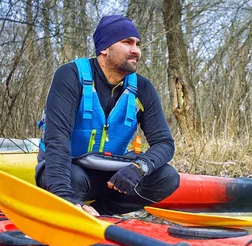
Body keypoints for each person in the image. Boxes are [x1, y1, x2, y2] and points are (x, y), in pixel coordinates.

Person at [35, 15, 179, 216]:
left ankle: (102, 212)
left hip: (111, 174)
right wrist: (64, 197)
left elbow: (164, 142)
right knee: (72, 179)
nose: (136, 50)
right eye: (127, 42)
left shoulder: (143, 88)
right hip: (69, 169)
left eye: (137, 44)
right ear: (104, 48)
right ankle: (74, 206)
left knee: (167, 177)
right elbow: (57, 139)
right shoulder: (70, 76)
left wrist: (139, 167)